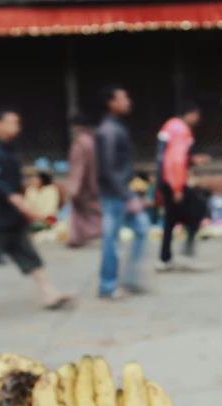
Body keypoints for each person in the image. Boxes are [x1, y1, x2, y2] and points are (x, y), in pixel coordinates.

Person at [0, 108, 72, 315]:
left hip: (11, 217)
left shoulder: (9, 149)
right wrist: (23, 205)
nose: (16, 126)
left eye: (17, 122)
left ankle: (47, 292)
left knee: (29, 253)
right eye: (11, 122)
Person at [95, 85, 150, 299]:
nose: (128, 101)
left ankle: (129, 279)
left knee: (142, 229)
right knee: (111, 240)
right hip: (114, 195)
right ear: (111, 102)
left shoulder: (116, 127)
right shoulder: (108, 130)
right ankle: (107, 286)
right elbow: (109, 168)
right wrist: (128, 196)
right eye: (123, 98)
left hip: (121, 192)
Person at [155, 101, 211, 272]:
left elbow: (168, 157)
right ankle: (185, 248)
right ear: (190, 113)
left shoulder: (170, 126)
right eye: (197, 115)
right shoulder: (180, 129)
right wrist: (178, 187)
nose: (198, 119)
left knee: (170, 219)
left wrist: (193, 160)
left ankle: (165, 258)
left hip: (165, 179)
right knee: (199, 207)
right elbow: (176, 160)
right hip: (173, 182)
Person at [67, 113, 101, 248]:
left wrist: (74, 188)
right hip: (92, 183)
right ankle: (77, 237)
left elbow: (79, 168)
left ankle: (76, 238)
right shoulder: (92, 141)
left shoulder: (80, 143)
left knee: (79, 211)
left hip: (83, 185)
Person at [25, 164, 60, 231]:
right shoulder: (30, 190)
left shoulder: (51, 189)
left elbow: (51, 208)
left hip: (48, 218)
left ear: (42, 179)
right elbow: (27, 206)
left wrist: (41, 217)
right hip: (33, 218)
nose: (32, 180)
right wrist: (33, 216)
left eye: (35, 178)